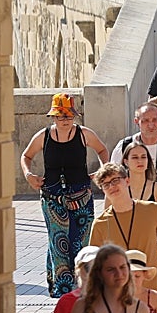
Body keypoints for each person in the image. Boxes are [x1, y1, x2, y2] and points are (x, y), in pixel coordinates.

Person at [20, 93, 108, 296]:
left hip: (81, 195)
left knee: (81, 240)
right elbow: (26, 155)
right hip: (52, 196)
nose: (65, 120)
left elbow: (102, 150)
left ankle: (83, 286)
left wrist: (102, 170)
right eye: (60, 116)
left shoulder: (84, 134)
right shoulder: (44, 136)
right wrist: (29, 175)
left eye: (68, 116)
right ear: (53, 117)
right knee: (58, 240)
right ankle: (62, 289)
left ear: (74, 116)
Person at [88, 162, 157, 311]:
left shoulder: (152, 210)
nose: (112, 187)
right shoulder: (100, 223)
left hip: (152, 295)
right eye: (106, 184)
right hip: (117, 298)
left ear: (127, 180)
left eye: (116, 180)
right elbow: (93, 267)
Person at [109, 102, 157, 236]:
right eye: (145, 121)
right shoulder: (124, 147)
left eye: (155, 120)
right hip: (128, 217)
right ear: (136, 121)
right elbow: (112, 181)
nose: (151, 125)